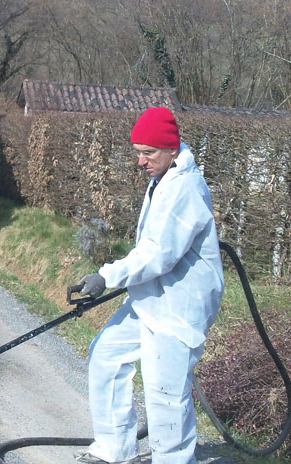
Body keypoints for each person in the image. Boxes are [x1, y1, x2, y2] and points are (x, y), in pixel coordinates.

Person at [72, 107, 224, 464]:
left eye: (148, 153)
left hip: (179, 306)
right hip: (151, 299)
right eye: (137, 152)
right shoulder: (163, 177)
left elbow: (159, 254)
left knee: (165, 392)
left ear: (172, 149)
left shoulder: (185, 186)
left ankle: (172, 460)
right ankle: (114, 449)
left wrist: (107, 276)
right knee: (106, 356)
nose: (140, 161)